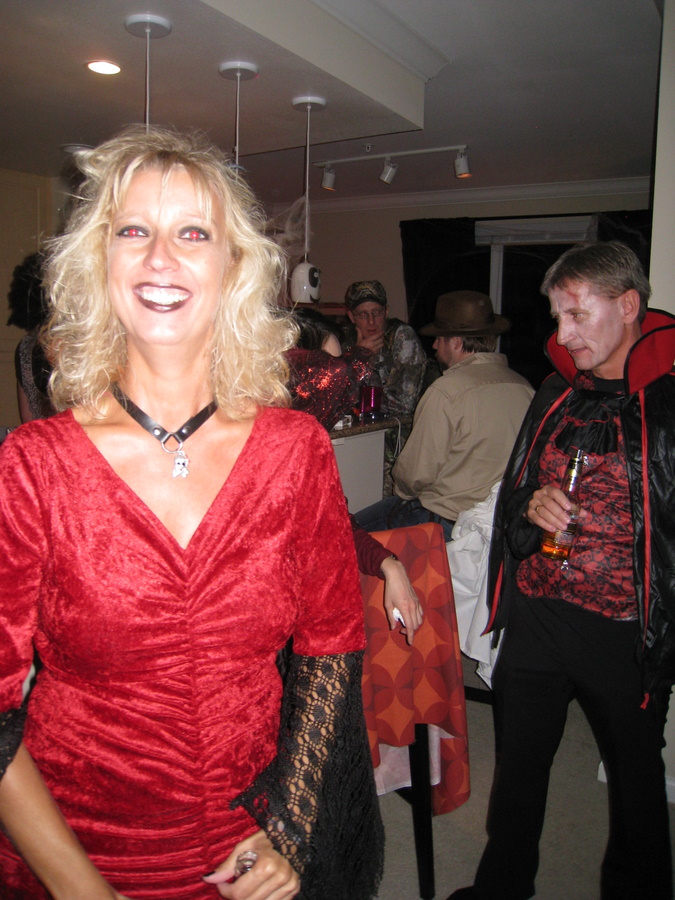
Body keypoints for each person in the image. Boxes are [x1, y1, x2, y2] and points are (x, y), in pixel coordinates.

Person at [0, 126, 384, 900]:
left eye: (192, 233)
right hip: (77, 848)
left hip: (250, 843)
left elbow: (329, 648)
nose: (160, 258)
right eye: (132, 231)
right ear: (98, 262)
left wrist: (291, 823)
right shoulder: (32, 465)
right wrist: (80, 889)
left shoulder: (295, 450)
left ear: (233, 265)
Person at [449, 242, 675, 900]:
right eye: (557, 317)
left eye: (576, 314)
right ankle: (501, 888)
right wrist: (530, 504)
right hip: (538, 617)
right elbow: (516, 495)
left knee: (636, 788)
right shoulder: (554, 392)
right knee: (517, 773)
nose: (563, 334)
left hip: (623, 631)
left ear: (628, 305)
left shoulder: (669, 400)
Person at [287, 307, 423, 644]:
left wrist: (390, 565)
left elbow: (335, 522)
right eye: (333, 373)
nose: (341, 390)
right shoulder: (254, 447)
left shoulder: (305, 446)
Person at [355, 291, 533, 542]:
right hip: (499, 526)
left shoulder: (446, 391)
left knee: (345, 531)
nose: (435, 346)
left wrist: (399, 488)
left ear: (456, 342)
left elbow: (413, 476)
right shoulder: (526, 388)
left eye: (439, 338)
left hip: (446, 523)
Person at [342, 280, 426, 420]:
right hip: (359, 427)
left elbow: (403, 404)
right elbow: (335, 394)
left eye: (376, 312)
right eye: (362, 314)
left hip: (397, 429)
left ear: (386, 311)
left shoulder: (402, 337)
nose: (371, 321)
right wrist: (359, 357)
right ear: (351, 317)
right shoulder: (345, 340)